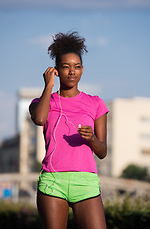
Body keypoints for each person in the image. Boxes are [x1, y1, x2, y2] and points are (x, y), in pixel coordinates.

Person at [29, 31, 109, 229]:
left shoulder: (95, 103)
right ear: (56, 70)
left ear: (82, 70)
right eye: (66, 67)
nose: (72, 72)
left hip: (86, 182)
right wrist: (48, 86)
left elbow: (102, 152)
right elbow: (39, 119)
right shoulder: (41, 103)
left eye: (77, 67)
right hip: (52, 182)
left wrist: (91, 139)